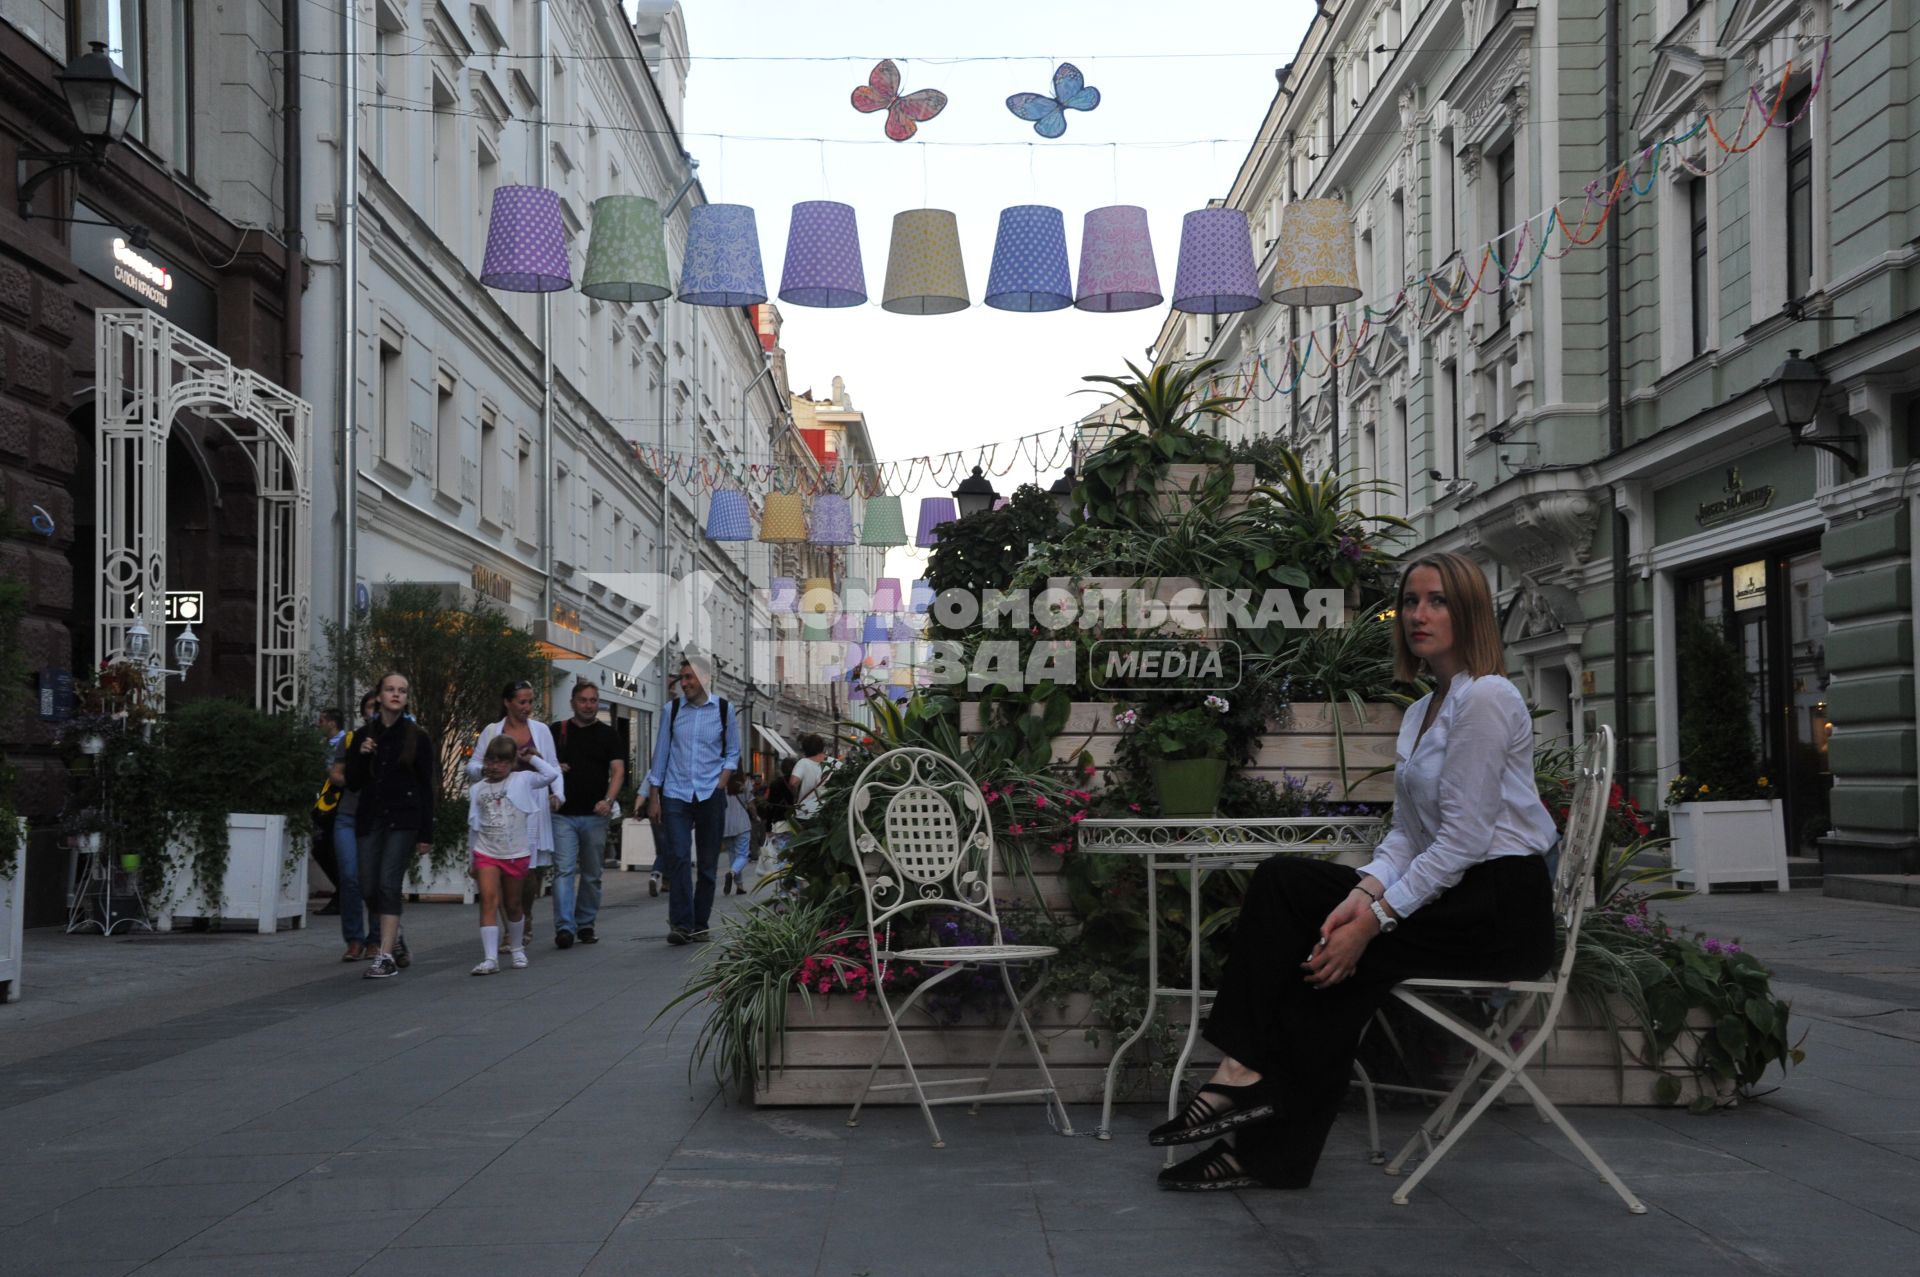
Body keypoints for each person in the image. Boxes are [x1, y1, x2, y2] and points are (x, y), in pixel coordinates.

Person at [1150, 551, 1559, 1191]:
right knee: (1288, 885)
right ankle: (1243, 1076)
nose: (1419, 615)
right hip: (1456, 892)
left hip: (1499, 907)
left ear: (1472, 611)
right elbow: (1407, 834)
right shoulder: (1427, 710)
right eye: (1411, 602)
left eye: (1438, 601)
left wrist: (1373, 922)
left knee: (1342, 964)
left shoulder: (1486, 697)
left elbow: (1461, 840)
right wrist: (1363, 894)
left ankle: (1259, 1133)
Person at [344, 673, 437, 981]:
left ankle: (384, 957)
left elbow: (426, 786)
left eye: (402, 691)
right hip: (371, 817)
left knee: (388, 882)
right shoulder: (363, 736)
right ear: (379, 696)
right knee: (367, 884)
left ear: (406, 698)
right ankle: (394, 935)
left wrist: (426, 832)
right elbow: (354, 782)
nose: (396, 695)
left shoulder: (416, 736)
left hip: (403, 819)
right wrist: (361, 754)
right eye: (390, 690)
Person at [644, 656, 741, 945]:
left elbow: (733, 753)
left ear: (706, 679)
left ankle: (700, 923)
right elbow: (660, 755)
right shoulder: (671, 711)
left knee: (709, 865)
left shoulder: (725, 709)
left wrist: (720, 785)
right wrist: (653, 797)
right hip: (676, 793)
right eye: (682, 677)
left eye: (689, 677)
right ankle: (681, 924)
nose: (683, 683)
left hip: (710, 793)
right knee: (679, 858)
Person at [468, 681, 564, 937]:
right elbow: (473, 765)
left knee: (529, 869)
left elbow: (552, 766)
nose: (527, 707)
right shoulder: (492, 731)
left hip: (532, 803)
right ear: (507, 702)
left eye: (530, 701)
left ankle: (525, 913)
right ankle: (512, 930)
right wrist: (485, 770)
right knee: (500, 866)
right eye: (522, 702)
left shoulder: (541, 730)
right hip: (499, 805)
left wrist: (558, 794)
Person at [467, 735, 561, 974]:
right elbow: (474, 825)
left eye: (502, 762)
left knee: (513, 904)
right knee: (488, 900)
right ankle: (490, 958)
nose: (495, 766)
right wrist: (472, 859)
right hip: (486, 851)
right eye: (491, 761)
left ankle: (517, 947)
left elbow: (550, 775)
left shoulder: (522, 779)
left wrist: (532, 758)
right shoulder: (478, 788)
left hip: (515, 853)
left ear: (512, 763)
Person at [549, 680, 625, 948]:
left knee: (592, 873)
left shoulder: (608, 734)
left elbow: (618, 771)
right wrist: (553, 770)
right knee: (564, 871)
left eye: (593, 700)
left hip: (595, 815)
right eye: (583, 700)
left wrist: (608, 800)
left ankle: (585, 924)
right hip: (563, 815)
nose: (589, 705)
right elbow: (539, 767)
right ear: (573, 702)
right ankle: (565, 928)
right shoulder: (557, 731)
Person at [311, 708, 346, 917]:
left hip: (337, 803)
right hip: (324, 803)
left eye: (322, 720)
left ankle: (343, 894)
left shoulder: (345, 743)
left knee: (328, 848)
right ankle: (343, 892)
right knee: (322, 849)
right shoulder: (325, 746)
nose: (319, 724)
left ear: (332, 723)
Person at [721, 770, 753, 895]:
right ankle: (732, 873)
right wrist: (756, 816)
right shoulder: (744, 781)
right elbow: (750, 804)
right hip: (742, 822)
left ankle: (739, 886)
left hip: (726, 823)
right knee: (743, 855)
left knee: (732, 854)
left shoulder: (720, 780)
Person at [789, 735, 829, 821]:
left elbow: (793, 783)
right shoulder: (834, 763)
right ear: (822, 747)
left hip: (805, 813)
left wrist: (795, 794)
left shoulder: (803, 763)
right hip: (826, 813)